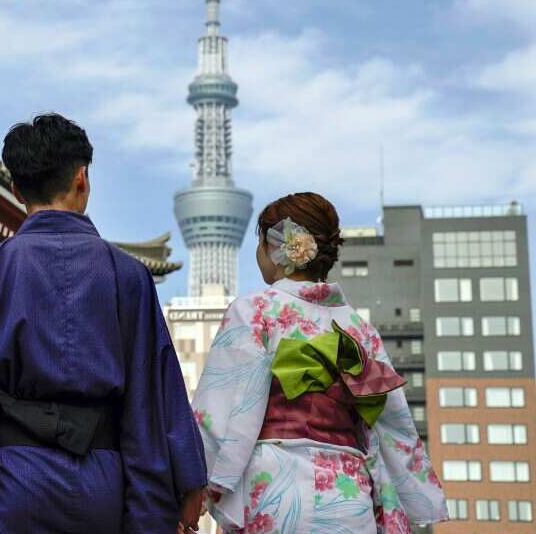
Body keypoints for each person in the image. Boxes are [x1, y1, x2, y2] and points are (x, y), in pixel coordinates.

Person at [0, 114, 207, 534]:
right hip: (105, 482)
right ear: (82, 179)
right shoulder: (128, 275)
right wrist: (188, 480)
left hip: (13, 480)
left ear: (15, 189)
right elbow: (155, 388)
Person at [191, 193, 448, 533]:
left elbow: (222, 411)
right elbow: (393, 424)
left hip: (275, 489)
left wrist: (196, 485)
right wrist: (417, 496)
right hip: (349, 492)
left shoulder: (255, 311)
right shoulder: (360, 329)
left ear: (277, 248)